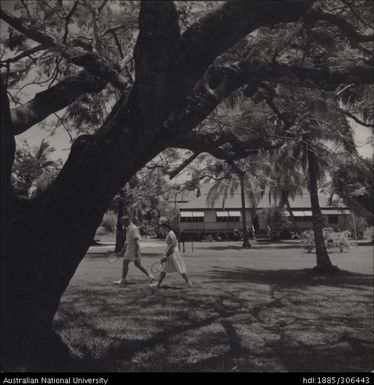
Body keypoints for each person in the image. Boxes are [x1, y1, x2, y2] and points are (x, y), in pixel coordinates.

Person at [150, 219, 192, 289]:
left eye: (162, 228)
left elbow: (173, 244)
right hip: (170, 253)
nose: (161, 229)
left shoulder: (171, 233)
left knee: (180, 269)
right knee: (164, 269)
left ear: (166, 227)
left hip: (173, 253)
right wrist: (166, 254)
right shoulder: (169, 233)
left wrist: (166, 255)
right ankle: (158, 284)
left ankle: (189, 283)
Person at [113, 216, 154, 285]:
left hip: (133, 249)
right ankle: (150, 276)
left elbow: (136, 241)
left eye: (123, 223)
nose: (122, 224)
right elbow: (127, 241)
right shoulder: (128, 228)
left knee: (125, 262)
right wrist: (122, 251)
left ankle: (123, 280)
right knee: (138, 265)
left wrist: (136, 252)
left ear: (127, 221)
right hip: (131, 249)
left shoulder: (133, 228)